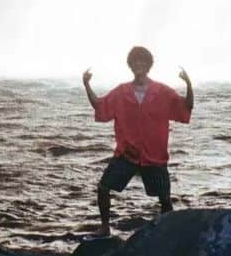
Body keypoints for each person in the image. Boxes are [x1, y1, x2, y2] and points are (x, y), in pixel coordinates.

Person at [83, 45, 194, 236]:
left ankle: (168, 232)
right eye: (135, 62)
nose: (138, 64)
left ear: (149, 65)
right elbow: (100, 105)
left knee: (165, 198)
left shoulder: (163, 92)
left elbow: (186, 107)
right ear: (130, 65)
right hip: (128, 152)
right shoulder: (121, 92)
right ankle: (104, 228)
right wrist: (86, 85)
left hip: (154, 154)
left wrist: (189, 84)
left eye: (142, 61)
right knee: (103, 187)